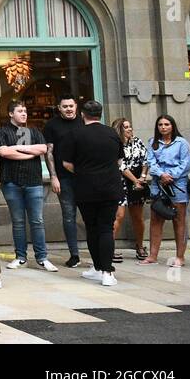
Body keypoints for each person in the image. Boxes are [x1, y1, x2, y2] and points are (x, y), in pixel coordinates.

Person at [60, 100, 123, 286]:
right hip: (110, 187)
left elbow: (67, 163)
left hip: (85, 188)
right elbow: (119, 161)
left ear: (82, 114)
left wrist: (83, 172)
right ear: (101, 114)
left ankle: (98, 267)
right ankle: (106, 271)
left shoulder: (75, 134)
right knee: (106, 228)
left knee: (92, 227)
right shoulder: (112, 133)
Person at [0, 100, 57, 272]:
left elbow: (43, 149)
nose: (24, 113)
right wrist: (29, 153)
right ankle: (20, 257)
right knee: (18, 221)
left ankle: (42, 257)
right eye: (20, 111)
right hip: (11, 182)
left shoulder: (34, 131)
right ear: (10, 114)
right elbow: (4, 152)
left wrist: (17, 149)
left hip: (34, 181)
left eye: (25, 111)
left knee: (37, 220)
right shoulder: (1, 132)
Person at [141, 114, 190, 267]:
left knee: (179, 219)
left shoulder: (182, 143)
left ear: (172, 126)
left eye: (166, 124)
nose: (163, 127)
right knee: (156, 218)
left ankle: (180, 257)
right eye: (160, 124)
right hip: (158, 183)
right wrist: (162, 174)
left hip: (178, 184)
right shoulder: (153, 142)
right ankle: (152, 255)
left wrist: (171, 175)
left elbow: (186, 164)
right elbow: (151, 161)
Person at [44, 95, 84, 268]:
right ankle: (74, 254)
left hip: (85, 178)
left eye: (71, 106)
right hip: (64, 178)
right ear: (59, 108)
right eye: (65, 106)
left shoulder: (84, 122)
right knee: (69, 217)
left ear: (76, 107)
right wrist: (53, 176)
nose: (68, 109)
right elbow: (49, 152)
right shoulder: (52, 125)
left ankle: (98, 252)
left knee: (91, 216)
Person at [111, 117, 149, 262]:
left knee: (138, 217)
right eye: (126, 127)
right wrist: (135, 180)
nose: (129, 129)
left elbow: (145, 159)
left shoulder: (137, 141)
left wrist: (143, 176)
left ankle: (140, 247)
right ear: (119, 129)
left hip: (138, 182)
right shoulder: (115, 143)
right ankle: (110, 248)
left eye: (130, 126)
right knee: (118, 216)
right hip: (121, 182)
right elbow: (120, 165)